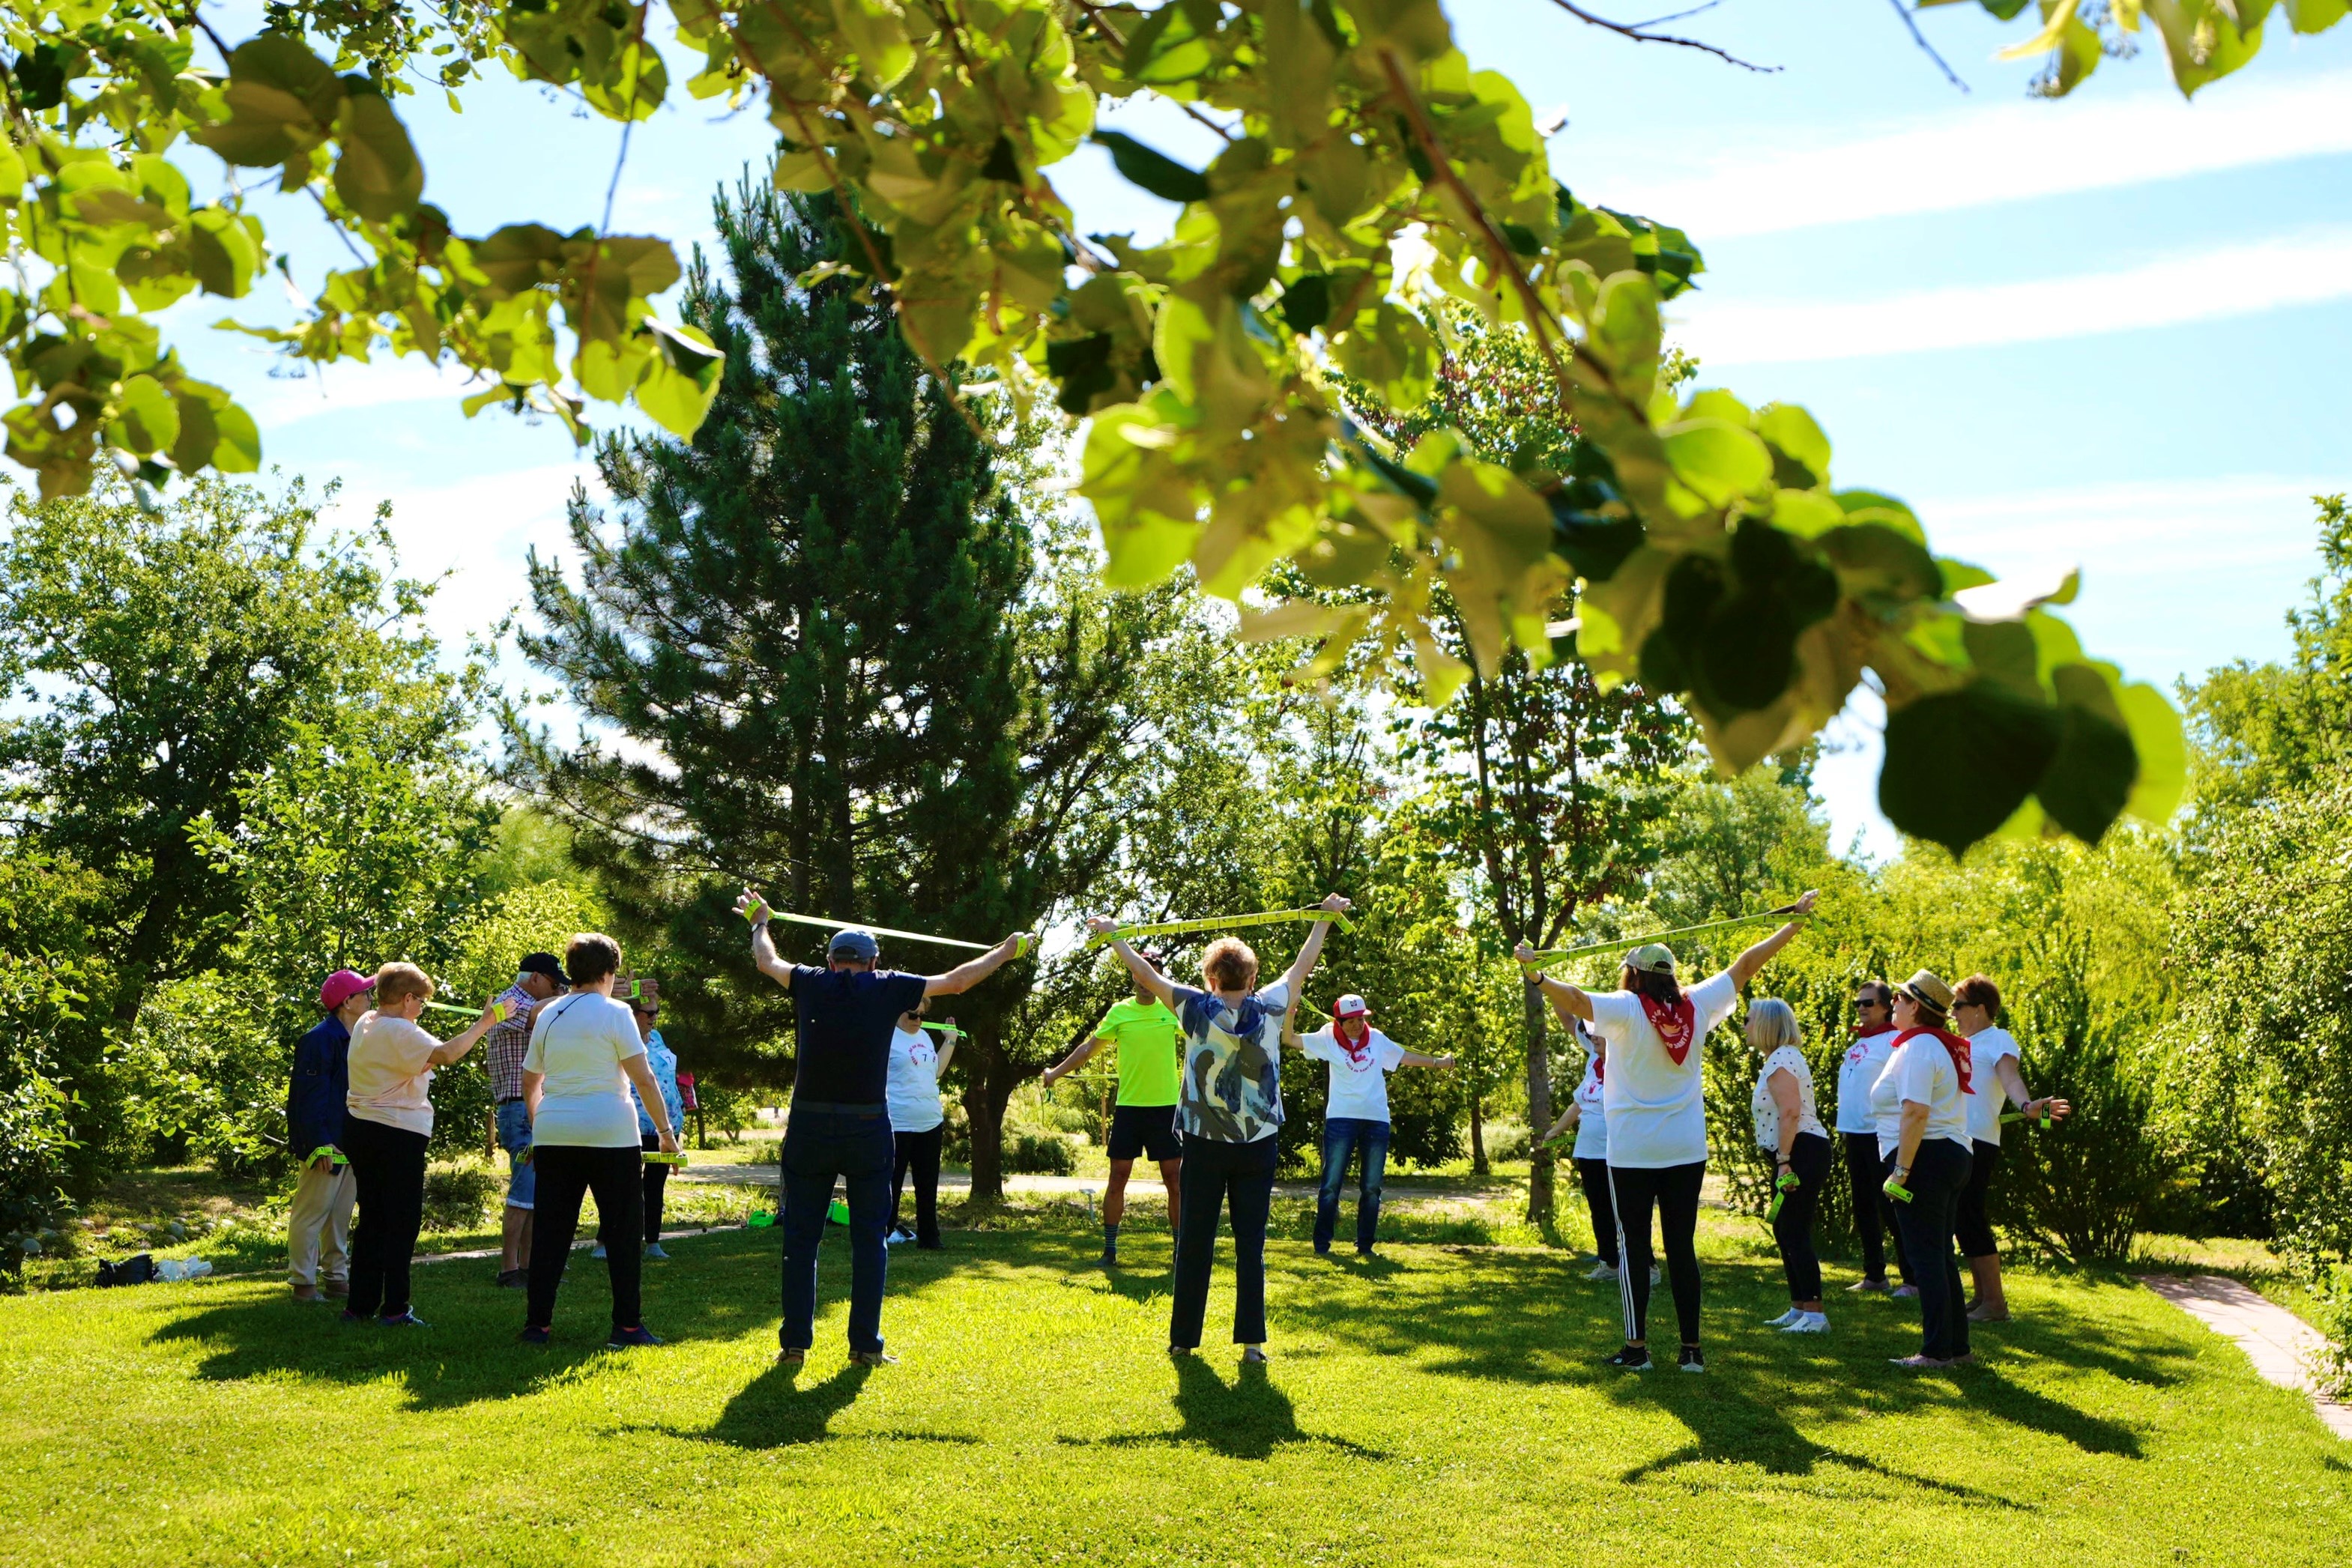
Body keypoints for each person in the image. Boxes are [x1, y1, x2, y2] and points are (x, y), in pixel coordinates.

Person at [1517, 890, 1820, 1374]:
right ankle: (1691, 1350)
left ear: (1633, 975)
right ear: (1670, 975)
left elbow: (1574, 1000)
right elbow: (1745, 965)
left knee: (1634, 1248)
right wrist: (1793, 925)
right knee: (1681, 1247)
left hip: (1632, 1150)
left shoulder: (1624, 1006)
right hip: (1685, 1147)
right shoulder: (1696, 1004)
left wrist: (1536, 974)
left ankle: (1637, 1349)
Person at [735, 887, 1030, 1369]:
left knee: (801, 1239)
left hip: (809, 1125)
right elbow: (958, 982)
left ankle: (794, 1346)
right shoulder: (888, 986)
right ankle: (865, 1347)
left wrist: (759, 923)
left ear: (831, 961)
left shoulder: (809, 981)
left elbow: (767, 961)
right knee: (869, 1239)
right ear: (873, 963)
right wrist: (1005, 952)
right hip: (868, 1126)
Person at [1089, 893, 1351, 1363]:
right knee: (1251, 1243)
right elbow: (1302, 966)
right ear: (1251, 978)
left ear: (1211, 979)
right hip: (1258, 1142)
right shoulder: (1271, 1005)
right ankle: (1252, 1345)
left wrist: (1114, 936)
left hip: (1205, 1143)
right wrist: (1326, 918)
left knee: (1195, 1240)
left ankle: (1183, 1341)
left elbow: (1146, 975)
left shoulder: (1194, 1007)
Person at [520, 936, 680, 1348]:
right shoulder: (617, 1013)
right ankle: (626, 1327)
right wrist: (665, 1134)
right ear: (609, 972)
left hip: (555, 1132)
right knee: (624, 1233)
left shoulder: (549, 1014)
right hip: (611, 1133)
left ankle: (537, 1326)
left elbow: (531, 1081)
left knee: (551, 1233)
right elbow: (644, 1079)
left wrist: (540, 1128)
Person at [342, 963, 501, 1329]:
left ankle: (359, 1306)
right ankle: (395, 1309)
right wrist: (485, 1023)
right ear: (407, 998)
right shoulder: (400, 1030)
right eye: (421, 1002)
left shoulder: (367, 1022)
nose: (422, 1008)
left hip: (361, 1127)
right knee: (402, 1220)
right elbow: (447, 1053)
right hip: (395, 1132)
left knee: (372, 1218)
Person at [1286, 993, 1454, 1259]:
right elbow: (1290, 1039)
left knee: (1372, 1188)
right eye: (1351, 1021)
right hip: (1341, 1119)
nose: (1357, 1025)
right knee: (1331, 1185)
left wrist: (1438, 1063)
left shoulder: (1376, 1038)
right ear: (1339, 1022)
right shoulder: (1327, 1037)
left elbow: (1403, 1057)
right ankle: (1322, 1245)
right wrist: (1290, 1013)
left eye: (1361, 1019)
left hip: (1376, 1120)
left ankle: (1365, 1246)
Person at [1042, 961, 1183, 1268]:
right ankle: (1109, 1251)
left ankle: (1180, 1253)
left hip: (1166, 1109)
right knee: (1118, 1177)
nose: (1145, 980)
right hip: (1129, 1109)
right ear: (1134, 976)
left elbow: (1206, 1036)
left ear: (1159, 977)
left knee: (1174, 1180)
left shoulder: (1173, 1009)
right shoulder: (1120, 1012)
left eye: (1152, 973)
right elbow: (1088, 1050)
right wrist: (1055, 1073)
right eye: (1140, 973)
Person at [1950, 973, 2070, 1324]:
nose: (1952, 1013)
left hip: (1979, 1141)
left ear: (1980, 1008)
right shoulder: (1962, 1043)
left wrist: (2027, 1106)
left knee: (1971, 1217)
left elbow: (2011, 1078)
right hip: (1957, 1139)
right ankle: (1981, 1298)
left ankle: (1996, 1304)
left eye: (1958, 1006)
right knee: (1962, 1220)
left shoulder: (1998, 1039)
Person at [1876, 969, 1976, 1369]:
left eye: (1899, 997)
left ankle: (1936, 1352)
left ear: (1916, 1007)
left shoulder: (1919, 1047)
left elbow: (1915, 1111)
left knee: (1926, 1257)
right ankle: (1957, 1348)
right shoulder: (1932, 1045)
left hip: (1925, 1159)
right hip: (1946, 1155)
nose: (1893, 1003)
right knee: (1940, 1255)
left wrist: (1901, 1171)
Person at [1541, 1019, 1656, 1284]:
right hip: (1589, 1150)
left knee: (1626, 1211)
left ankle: (1647, 1267)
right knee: (1600, 1209)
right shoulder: (1593, 1067)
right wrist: (1554, 1132)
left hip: (1618, 1151)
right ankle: (1610, 1263)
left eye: (1600, 1033)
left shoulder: (1626, 1068)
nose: (1594, 1037)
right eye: (1592, 1033)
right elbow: (1579, 1104)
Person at [285, 969, 371, 1303]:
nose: (370, 998)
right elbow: (307, 1098)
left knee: (339, 1215)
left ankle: (337, 1277)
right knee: (311, 1214)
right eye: (364, 993)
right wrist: (317, 1144)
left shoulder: (357, 1037)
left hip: (350, 1141)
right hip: (326, 1143)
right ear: (347, 1002)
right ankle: (303, 1282)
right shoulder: (319, 1039)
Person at [483, 951, 567, 1289]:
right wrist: (583, 992)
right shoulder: (508, 1003)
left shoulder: (536, 1002)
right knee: (522, 1192)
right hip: (518, 1108)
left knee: (535, 1192)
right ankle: (508, 1268)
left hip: (533, 1107)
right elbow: (536, 1014)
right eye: (555, 984)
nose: (558, 991)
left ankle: (530, 1266)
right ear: (535, 978)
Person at [1748, 998, 1831, 1334]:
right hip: (1795, 1152)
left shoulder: (1781, 1059)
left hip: (1800, 1151)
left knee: (1795, 1230)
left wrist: (1784, 1161)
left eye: (1749, 1019)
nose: (1745, 1026)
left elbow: (1791, 1112)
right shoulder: (1780, 1058)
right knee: (1785, 1229)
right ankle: (1799, 1308)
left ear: (1766, 1024)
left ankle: (1815, 1315)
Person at [1834, 980, 1914, 1297]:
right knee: (1863, 1205)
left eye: (1868, 1003)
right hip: (1854, 1133)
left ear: (1886, 1006)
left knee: (1891, 1205)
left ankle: (1912, 1279)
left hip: (1881, 1134)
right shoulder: (1858, 1043)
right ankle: (1875, 1275)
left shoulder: (1895, 1041)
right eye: (1858, 1003)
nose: (1862, 1008)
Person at [623, 981, 683, 1262]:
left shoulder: (657, 1038)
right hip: (634, 1124)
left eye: (657, 1011)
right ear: (633, 1014)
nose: (654, 1017)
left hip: (665, 1125)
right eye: (649, 1013)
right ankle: (611, 1240)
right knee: (627, 1187)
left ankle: (653, 1242)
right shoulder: (622, 1039)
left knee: (655, 1186)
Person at [887, 1003, 955, 1250]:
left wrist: (950, 1040)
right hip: (897, 1123)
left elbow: (937, 1072)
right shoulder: (887, 1037)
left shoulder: (925, 1037)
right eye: (913, 1015)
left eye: (922, 1016)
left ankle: (929, 1237)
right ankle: (883, 1232)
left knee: (927, 1183)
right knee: (891, 1183)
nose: (918, 1020)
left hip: (930, 1122)